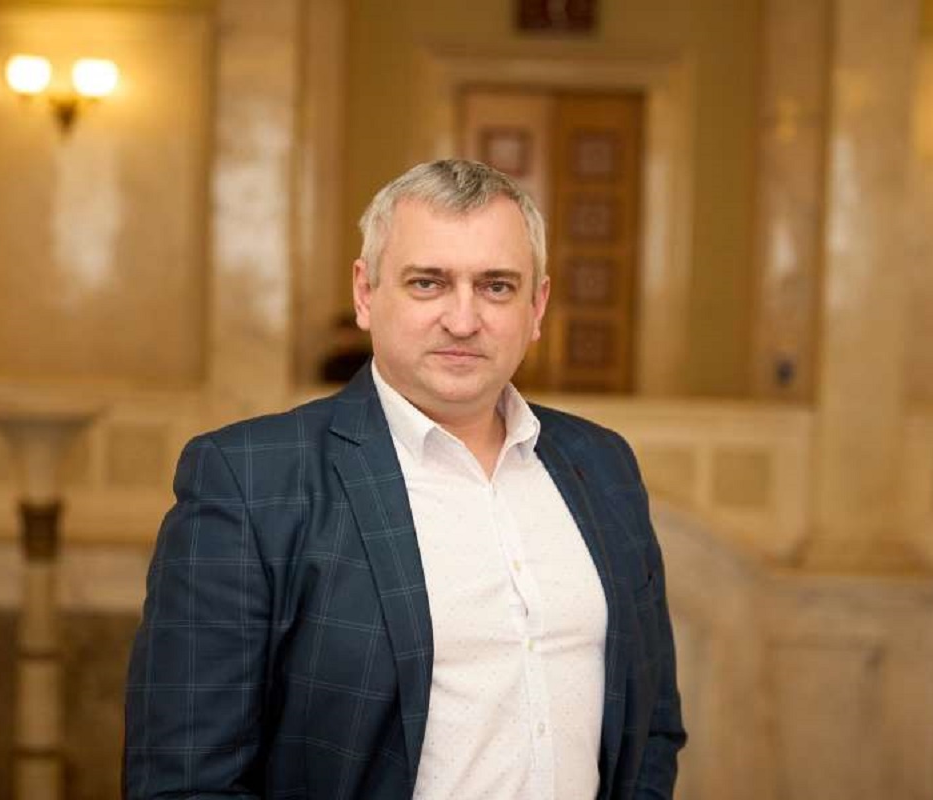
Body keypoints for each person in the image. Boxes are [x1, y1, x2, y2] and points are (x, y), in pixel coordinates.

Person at [123, 160, 686, 799]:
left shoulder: (604, 465)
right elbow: (185, 779)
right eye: (427, 283)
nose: (463, 319)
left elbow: (651, 726)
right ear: (366, 294)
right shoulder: (250, 480)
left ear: (537, 306)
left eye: (497, 286)